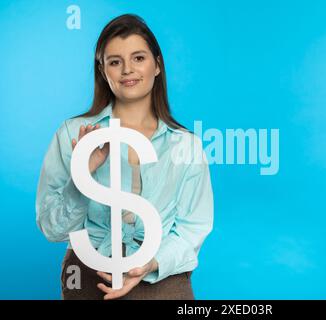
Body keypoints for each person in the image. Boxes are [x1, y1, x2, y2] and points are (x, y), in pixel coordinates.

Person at [35, 13, 214, 300]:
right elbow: (51, 228)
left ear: (157, 65)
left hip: (161, 276)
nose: (127, 70)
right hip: (87, 274)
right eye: (115, 62)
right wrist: (84, 173)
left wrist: (152, 264)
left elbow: (194, 228)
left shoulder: (186, 146)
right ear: (103, 70)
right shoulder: (72, 134)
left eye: (139, 58)